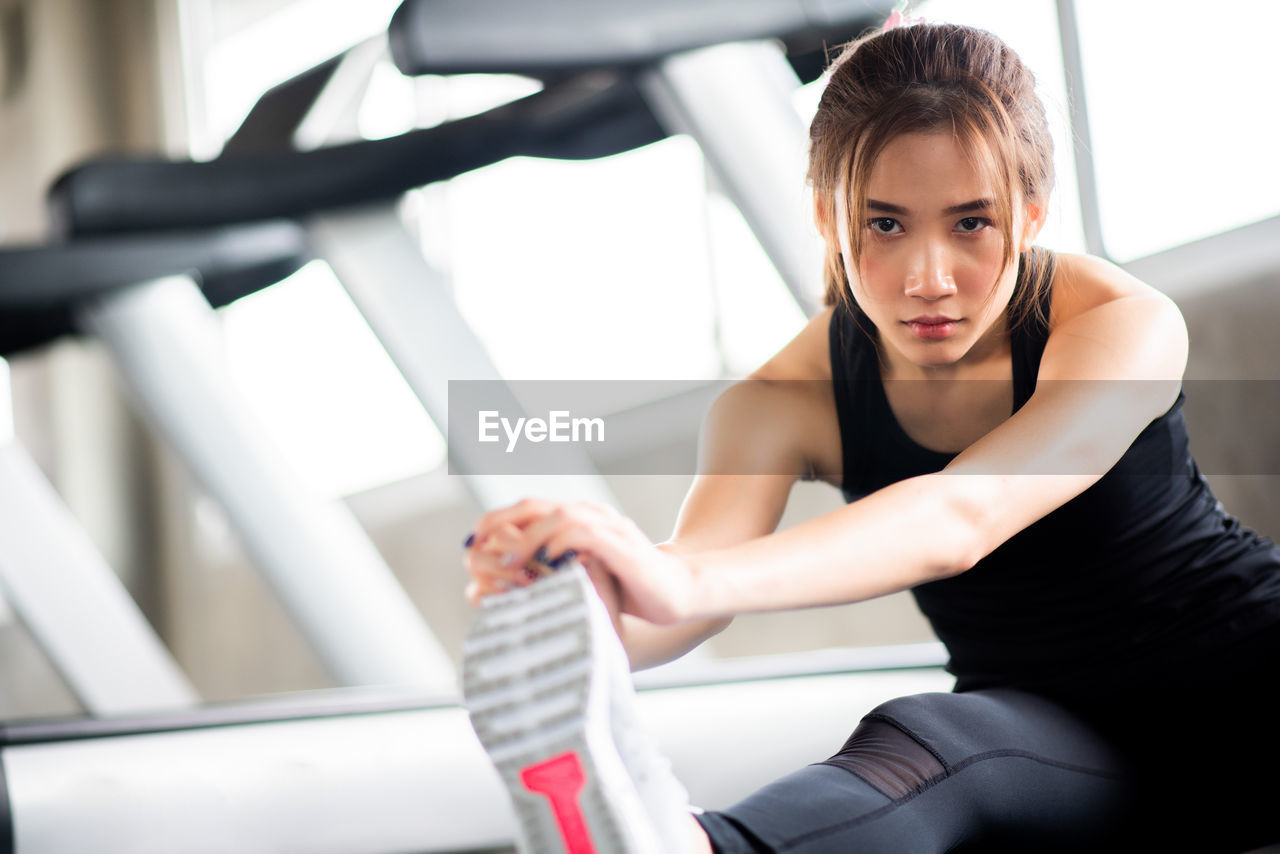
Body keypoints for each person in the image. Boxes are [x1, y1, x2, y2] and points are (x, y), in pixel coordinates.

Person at [462, 16, 1280, 854]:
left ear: (1030, 214)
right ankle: (692, 847)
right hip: (1054, 735)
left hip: (1247, 677)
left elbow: (962, 516)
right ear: (829, 215)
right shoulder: (782, 399)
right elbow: (689, 585)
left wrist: (683, 581)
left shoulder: (1121, 323)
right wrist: (582, 608)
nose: (929, 278)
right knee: (928, 742)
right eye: (886, 225)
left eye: (971, 223)